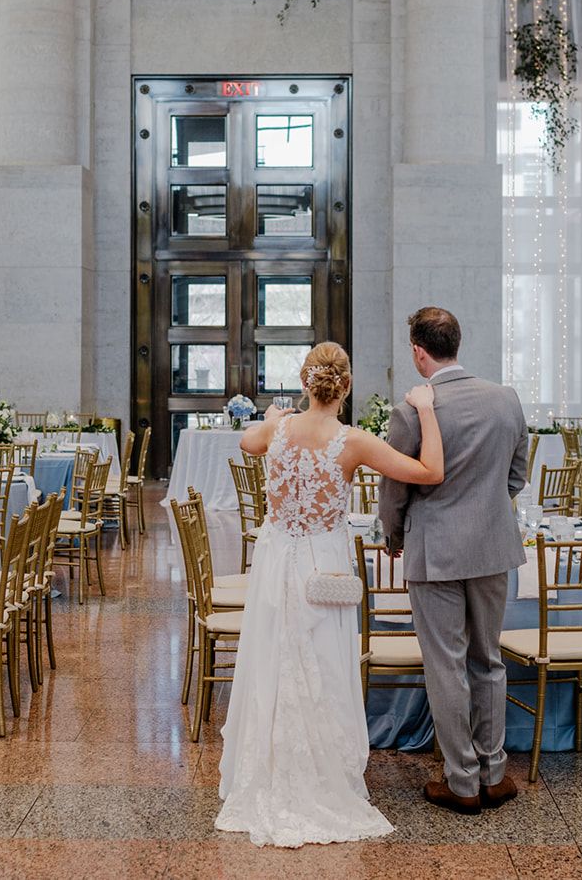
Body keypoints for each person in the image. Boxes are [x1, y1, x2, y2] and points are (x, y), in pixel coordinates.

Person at [215, 341, 445, 848]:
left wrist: (278, 413)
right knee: (321, 664)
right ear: (345, 386)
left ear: (306, 382)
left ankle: (270, 771)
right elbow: (430, 472)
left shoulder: (276, 430)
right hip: (323, 564)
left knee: (275, 663)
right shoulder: (353, 442)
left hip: (276, 563)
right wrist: (426, 412)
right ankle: (320, 776)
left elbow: (245, 441)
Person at [377, 306, 530, 815]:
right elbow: (517, 474)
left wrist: (395, 534)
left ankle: (461, 781)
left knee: (446, 666)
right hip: (492, 549)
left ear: (420, 352)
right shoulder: (505, 399)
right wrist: (488, 508)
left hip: (435, 552)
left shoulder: (412, 409)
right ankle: (494, 773)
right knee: (488, 660)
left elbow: (395, 488)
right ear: (456, 344)